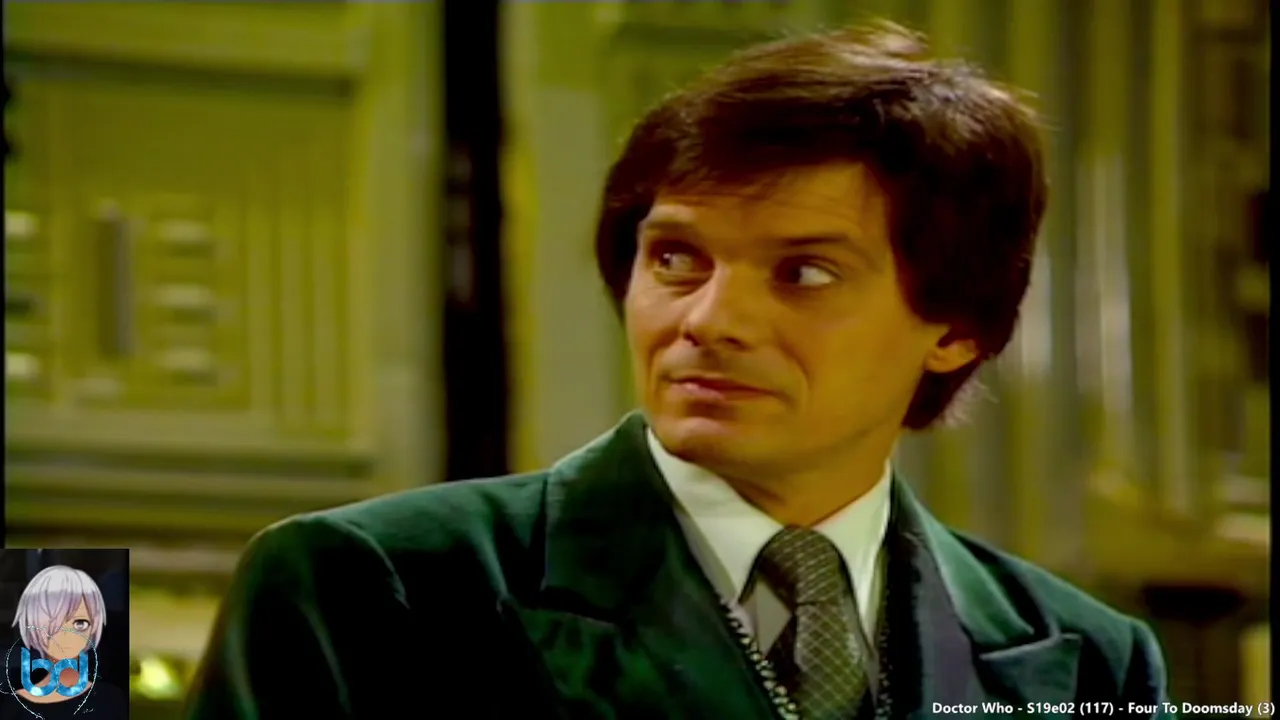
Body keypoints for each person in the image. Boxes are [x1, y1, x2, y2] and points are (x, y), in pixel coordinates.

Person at [186, 22, 1173, 719]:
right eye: (675, 259)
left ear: (954, 327)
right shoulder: (375, 588)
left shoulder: (1089, 659)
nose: (708, 322)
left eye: (803, 272)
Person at [1, 566, 128, 720]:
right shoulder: (11, 707)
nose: (67, 634)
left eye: (80, 623)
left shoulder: (111, 699)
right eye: (54, 623)